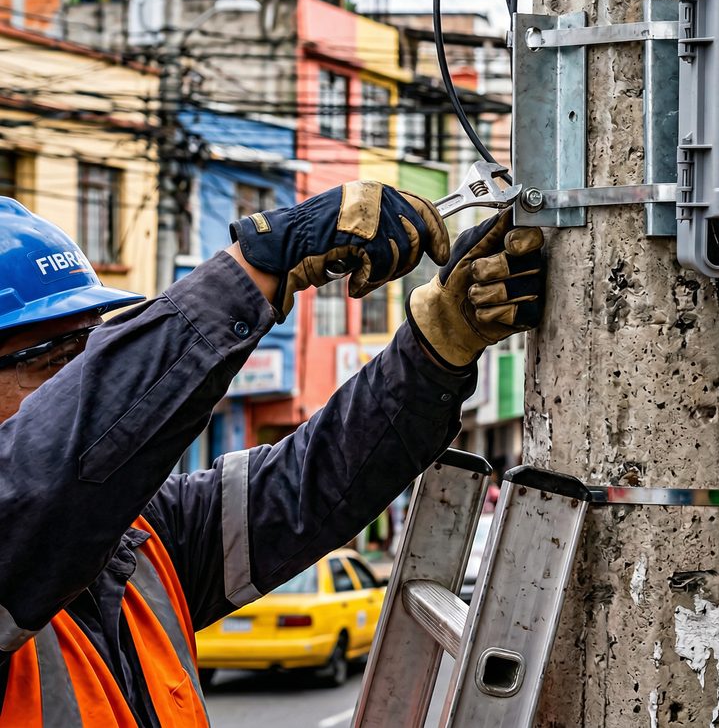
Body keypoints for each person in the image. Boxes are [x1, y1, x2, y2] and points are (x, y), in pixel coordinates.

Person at [0, 186, 547, 723]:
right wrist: (252, 269)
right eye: (50, 357)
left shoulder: (145, 541)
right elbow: (44, 471)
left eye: (92, 347)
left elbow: (313, 480)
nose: (81, 375)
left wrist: (437, 346)